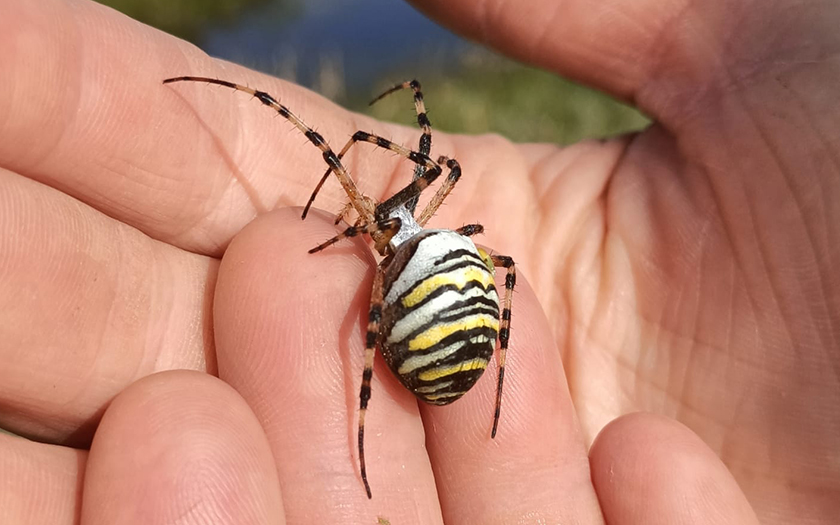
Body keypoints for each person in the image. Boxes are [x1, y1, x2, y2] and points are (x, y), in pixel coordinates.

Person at [0, 0, 836, 523]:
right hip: (450, 308)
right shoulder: (433, 215)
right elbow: (482, 256)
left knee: (361, 305)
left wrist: (344, 217)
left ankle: (371, 431)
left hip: (430, 315)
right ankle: (450, 395)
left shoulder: (378, 227)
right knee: (477, 269)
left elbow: (349, 171)